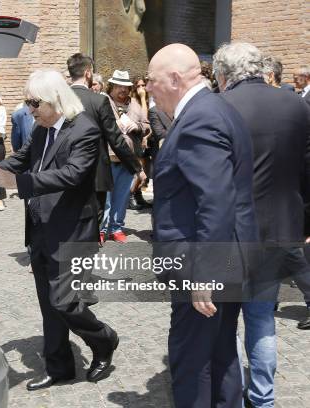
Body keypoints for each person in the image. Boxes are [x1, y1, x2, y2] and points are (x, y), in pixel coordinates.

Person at [0, 69, 119, 390]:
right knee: (49, 305)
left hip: (72, 232)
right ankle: (59, 367)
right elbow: (22, 159)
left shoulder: (85, 131)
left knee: (64, 302)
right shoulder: (40, 128)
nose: (29, 109)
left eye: (34, 103)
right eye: (27, 103)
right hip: (40, 229)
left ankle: (104, 340)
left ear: (54, 100)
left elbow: (71, 175)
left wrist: (18, 183)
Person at [147, 43, 258, 408]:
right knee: (221, 355)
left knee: (193, 363)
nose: (147, 88)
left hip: (204, 263)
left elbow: (215, 203)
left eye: (152, 80)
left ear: (175, 79)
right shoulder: (215, 107)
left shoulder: (200, 117)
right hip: (227, 259)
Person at [215, 42, 310, 407]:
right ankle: (263, 398)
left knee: (226, 324)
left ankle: (233, 393)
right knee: (261, 317)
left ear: (224, 74)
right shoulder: (295, 104)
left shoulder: (220, 106)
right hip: (281, 229)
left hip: (231, 234)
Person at [67, 53, 143, 245]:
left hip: (65, 168)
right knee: (94, 211)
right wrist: (137, 167)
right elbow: (115, 139)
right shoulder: (98, 101)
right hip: (96, 167)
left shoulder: (59, 100)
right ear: (87, 73)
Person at [102, 69, 148, 242]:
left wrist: (136, 127)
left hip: (128, 160)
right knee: (105, 198)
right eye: (119, 86)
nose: (123, 90)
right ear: (112, 86)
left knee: (121, 197)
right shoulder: (104, 101)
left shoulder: (135, 104)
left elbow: (147, 126)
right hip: (108, 158)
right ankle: (102, 228)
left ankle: (116, 228)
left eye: (126, 87)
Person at [128, 75, 152, 210]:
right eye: (138, 86)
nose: (141, 89)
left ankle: (138, 195)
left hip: (147, 140)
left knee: (146, 171)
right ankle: (130, 196)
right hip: (137, 140)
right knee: (139, 171)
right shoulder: (134, 103)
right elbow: (144, 121)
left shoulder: (148, 100)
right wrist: (142, 98)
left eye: (143, 85)